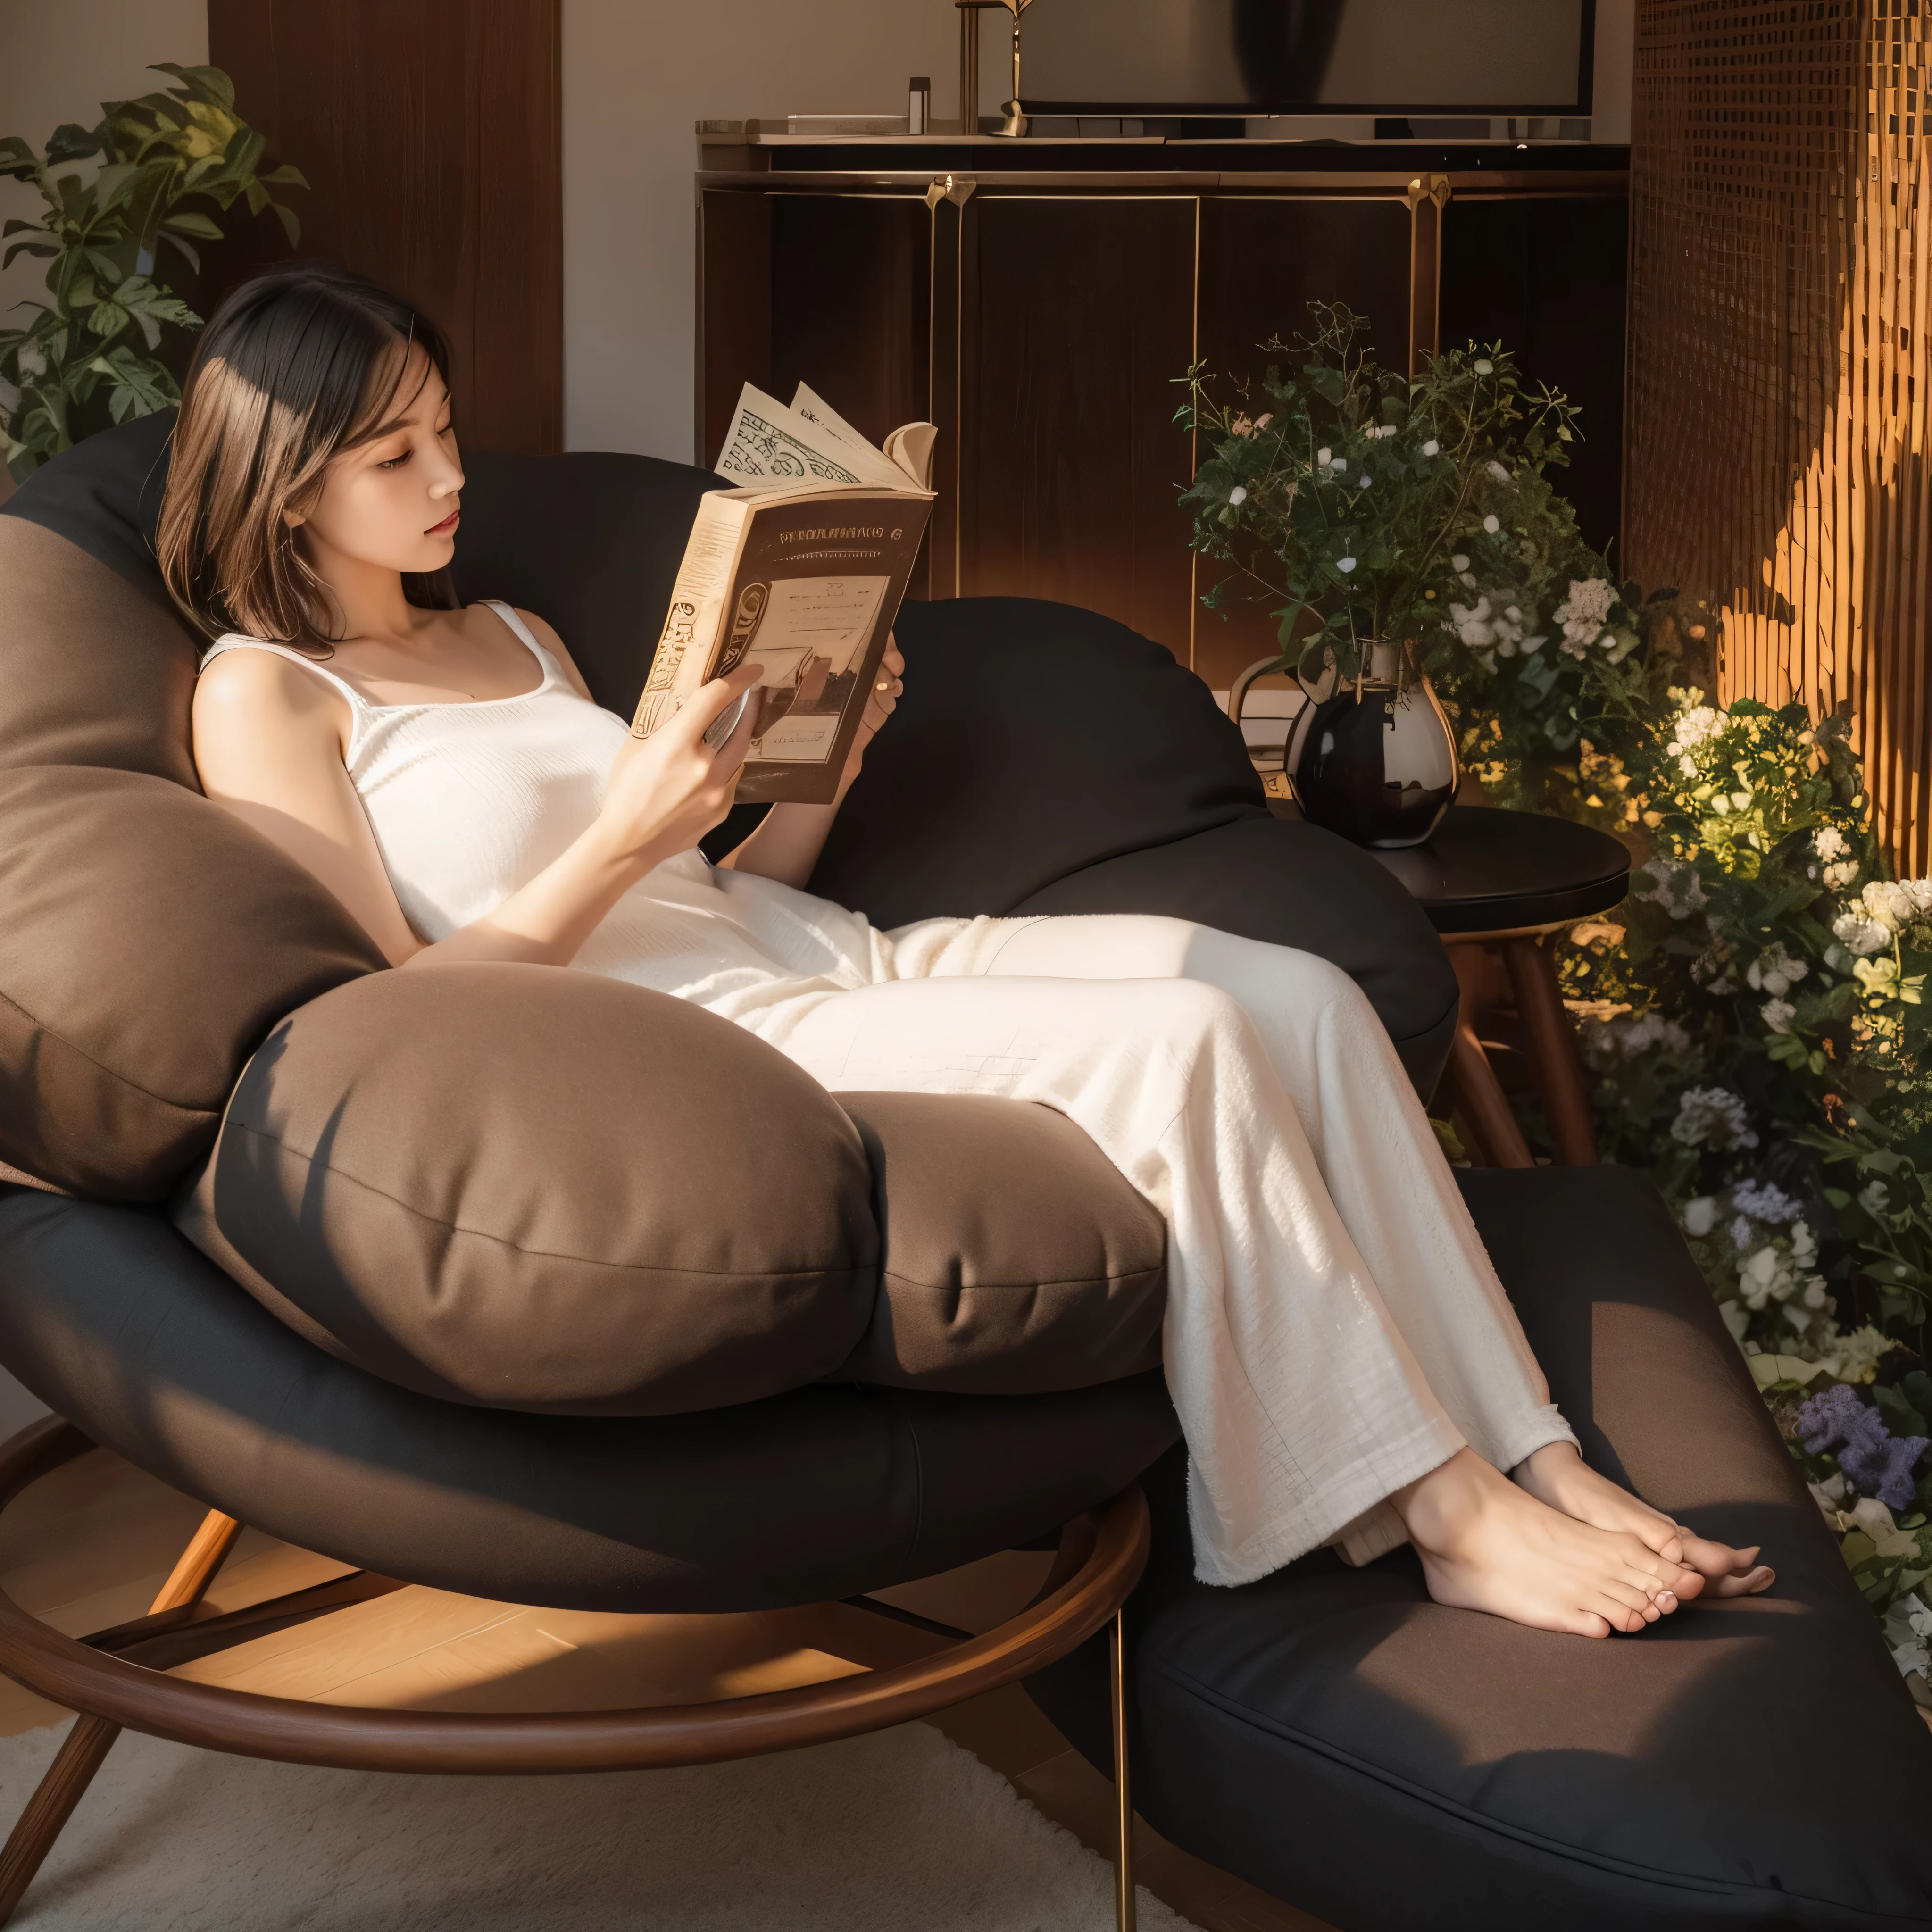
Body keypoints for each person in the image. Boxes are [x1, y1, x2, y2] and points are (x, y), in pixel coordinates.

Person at [167, 265, 1774, 1637]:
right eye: (396, 452)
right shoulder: (269, 694)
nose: (450, 473)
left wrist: (819, 767)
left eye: (446, 426)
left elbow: (721, 878)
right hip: (699, 1040)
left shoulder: (513, 633)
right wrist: (628, 835)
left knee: (1292, 995)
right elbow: (384, 1021)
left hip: (811, 946)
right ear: (288, 474)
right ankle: (1445, 1515)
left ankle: (1535, 1449)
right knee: (1186, 1048)